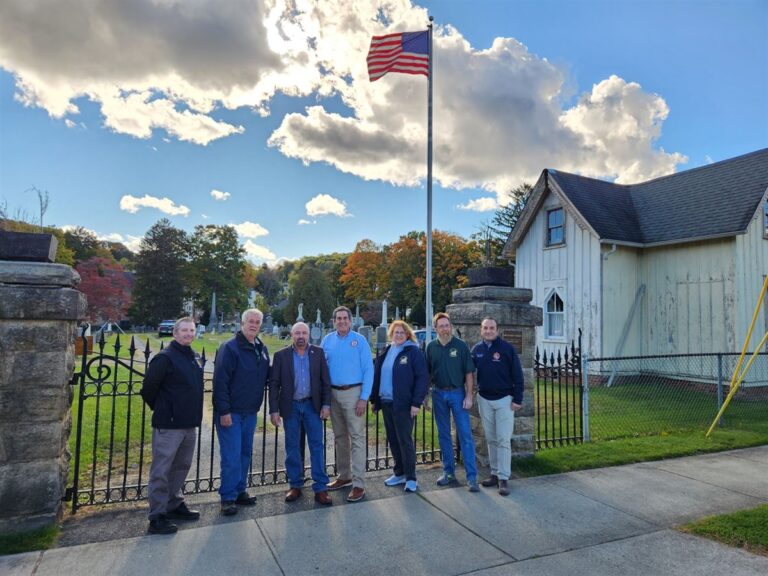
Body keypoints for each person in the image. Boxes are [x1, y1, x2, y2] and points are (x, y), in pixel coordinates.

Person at [140, 317, 203, 534]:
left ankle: (174, 504)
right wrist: (166, 410)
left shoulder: (192, 356)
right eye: (184, 330)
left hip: (189, 424)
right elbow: (148, 389)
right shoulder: (164, 358)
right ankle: (157, 515)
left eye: (191, 330)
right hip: (169, 425)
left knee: (181, 466)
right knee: (161, 470)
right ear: (175, 334)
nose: (188, 334)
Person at [213, 308, 270, 515]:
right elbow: (220, 382)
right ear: (242, 323)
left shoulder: (261, 349)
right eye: (250, 321)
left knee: (245, 453)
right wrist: (224, 411)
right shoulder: (230, 348)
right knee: (231, 455)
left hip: (250, 412)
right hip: (232, 413)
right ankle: (227, 497)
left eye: (257, 321)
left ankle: (239, 491)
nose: (254, 324)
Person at [269, 322, 333, 505]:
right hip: (292, 407)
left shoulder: (318, 353)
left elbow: (325, 382)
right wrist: (274, 410)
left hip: (312, 406)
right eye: (297, 333)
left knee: (317, 446)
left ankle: (320, 487)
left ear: (309, 334)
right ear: (291, 335)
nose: (301, 336)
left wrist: (326, 405)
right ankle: (295, 484)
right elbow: (274, 384)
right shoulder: (281, 356)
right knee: (292, 447)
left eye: (304, 333)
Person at [321, 306, 374, 502]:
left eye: (345, 318)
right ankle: (344, 476)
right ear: (334, 321)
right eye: (338, 318)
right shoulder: (327, 340)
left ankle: (359, 484)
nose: (342, 321)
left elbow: (369, 369)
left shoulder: (359, 341)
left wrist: (364, 398)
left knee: (357, 438)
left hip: (354, 394)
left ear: (351, 321)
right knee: (340, 437)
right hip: (333, 394)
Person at [371, 320, 428, 493]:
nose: (398, 335)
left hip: (404, 404)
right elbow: (378, 375)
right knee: (394, 440)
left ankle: (411, 478)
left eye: (402, 333)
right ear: (391, 334)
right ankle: (399, 472)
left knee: (405, 441)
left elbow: (422, 378)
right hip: (386, 402)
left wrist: (416, 403)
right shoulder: (388, 350)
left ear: (408, 334)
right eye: (396, 332)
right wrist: (375, 400)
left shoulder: (413, 352)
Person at [425, 312, 479, 492]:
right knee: (444, 435)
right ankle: (449, 473)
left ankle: (472, 478)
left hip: (458, 394)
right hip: (439, 394)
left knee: (465, 435)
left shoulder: (461, 346)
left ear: (450, 326)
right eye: (440, 326)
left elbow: (469, 373)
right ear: (435, 329)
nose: (444, 328)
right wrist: (425, 397)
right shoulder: (431, 347)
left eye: (446, 325)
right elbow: (427, 374)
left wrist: (469, 396)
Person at [471, 317, 524, 496]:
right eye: (485, 328)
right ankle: (494, 474)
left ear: (497, 329)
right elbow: (468, 371)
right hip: (484, 399)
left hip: (504, 400)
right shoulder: (476, 350)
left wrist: (517, 399)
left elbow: (518, 375)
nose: (488, 331)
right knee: (491, 439)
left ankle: (503, 478)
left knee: (503, 439)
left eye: (491, 328)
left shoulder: (507, 349)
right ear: (481, 330)